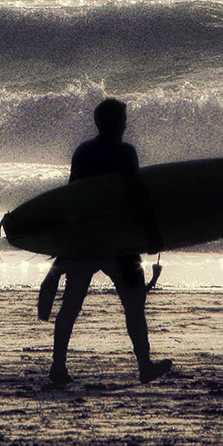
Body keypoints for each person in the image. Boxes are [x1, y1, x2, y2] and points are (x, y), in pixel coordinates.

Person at [39, 97, 172, 387]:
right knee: (134, 305)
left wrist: (67, 239)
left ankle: (57, 367)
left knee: (71, 305)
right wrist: (152, 233)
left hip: (86, 238)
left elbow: (74, 194)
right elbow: (137, 195)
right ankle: (144, 365)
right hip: (117, 239)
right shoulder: (125, 152)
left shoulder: (83, 152)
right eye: (123, 119)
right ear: (114, 123)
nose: (126, 124)